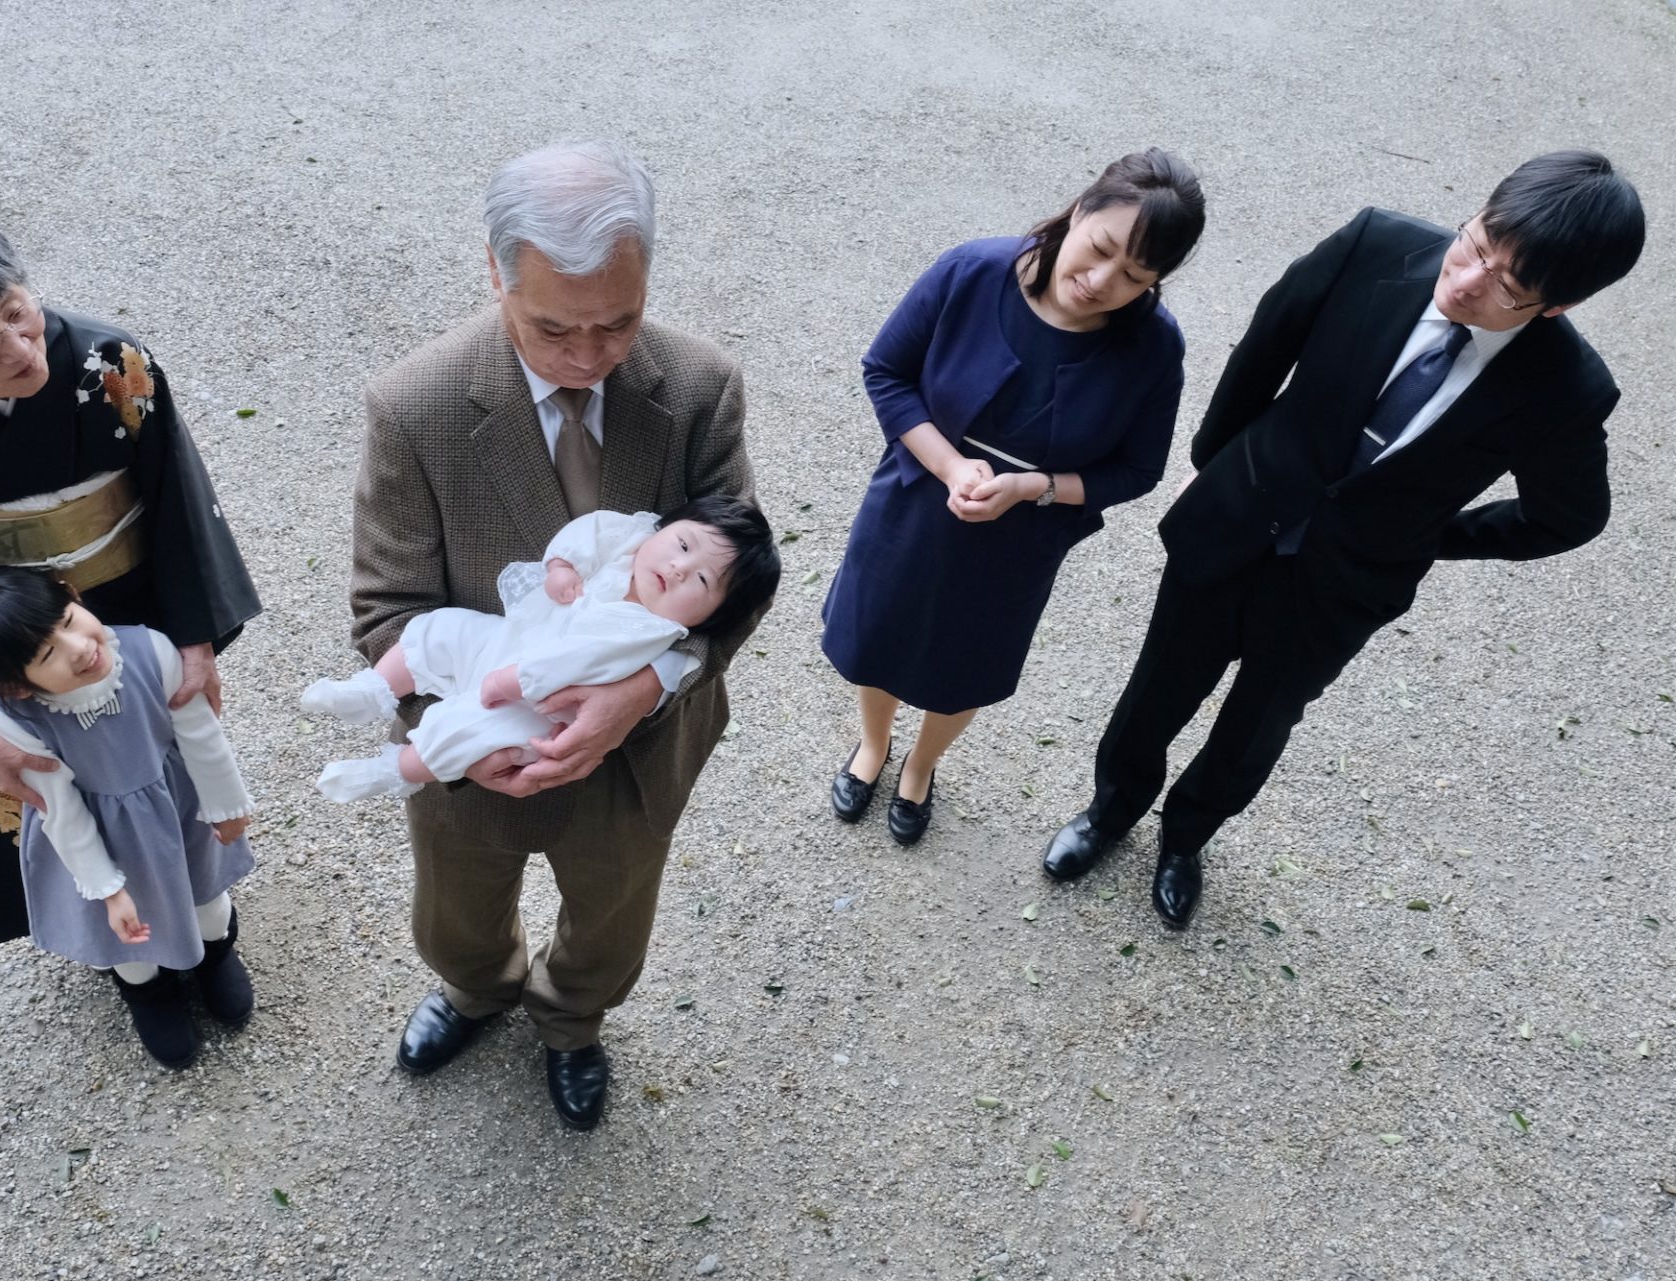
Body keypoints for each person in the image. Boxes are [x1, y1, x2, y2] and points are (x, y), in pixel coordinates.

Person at [1041, 150, 1646, 927]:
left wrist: (1429, 538)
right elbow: (1264, 348)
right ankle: (1110, 812)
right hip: (1231, 524)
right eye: (1475, 244)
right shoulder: (1373, 245)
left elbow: (1569, 516)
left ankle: (1186, 839)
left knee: (1253, 729)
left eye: (1507, 286)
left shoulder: (1569, 389)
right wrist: (1213, 465)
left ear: (1555, 308)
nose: (1465, 280)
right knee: (1157, 687)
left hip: (1343, 587)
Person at [350, 141, 765, 1130]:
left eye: (619, 322)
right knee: (456, 909)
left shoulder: (699, 388)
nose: (590, 356)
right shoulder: (416, 408)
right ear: (495, 272)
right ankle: (478, 987)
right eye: (554, 328)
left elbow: (741, 574)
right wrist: (452, 726)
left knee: (614, 919)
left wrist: (643, 691)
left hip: (637, 755)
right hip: (476, 737)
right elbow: (385, 609)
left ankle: (572, 1020)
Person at [0, 187, 261, 945]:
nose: (19, 347)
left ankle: (207, 929)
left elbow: (177, 503)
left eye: (14, 308)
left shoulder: (111, 360)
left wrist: (196, 641)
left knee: (173, 767)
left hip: (130, 619)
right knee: (54, 794)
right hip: (15, 650)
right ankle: (121, 955)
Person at [820, 149, 1206, 845]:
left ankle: (921, 766)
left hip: (1020, 539)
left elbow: (1139, 470)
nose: (1100, 281)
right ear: (1081, 210)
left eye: (1134, 277)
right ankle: (872, 745)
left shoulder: (1153, 347)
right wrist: (947, 466)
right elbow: (886, 371)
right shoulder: (970, 272)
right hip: (913, 504)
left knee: (964, 666)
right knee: (878, 635)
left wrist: (1036, 488)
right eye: (1101, 249)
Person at [0, 568, 257, 1068]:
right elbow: (57, 809)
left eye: (68, 620)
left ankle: (215, 955)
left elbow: (202, 736)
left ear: (72, 594)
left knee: (207, 895)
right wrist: (107, 889)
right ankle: (148, 992)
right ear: (17, 686)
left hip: (178, 811)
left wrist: (228, 808)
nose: (78, 648)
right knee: (127, 933)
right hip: (102, 832)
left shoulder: (152, 651)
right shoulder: (16, 721)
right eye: (47, 656)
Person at [308, 499, 779, 802]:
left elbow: (575, 661)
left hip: (536, 700)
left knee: (469, 729)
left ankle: (394, 772)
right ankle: (372, 691)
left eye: (700, 580)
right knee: (440, 630)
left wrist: (512, 681)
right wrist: (561, 564)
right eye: (681, 544)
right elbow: (590, 529)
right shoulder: (630, 543)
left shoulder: (647, 631)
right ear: (666, 526)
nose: (678, 567)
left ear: (706, 619)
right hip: (509, 639)